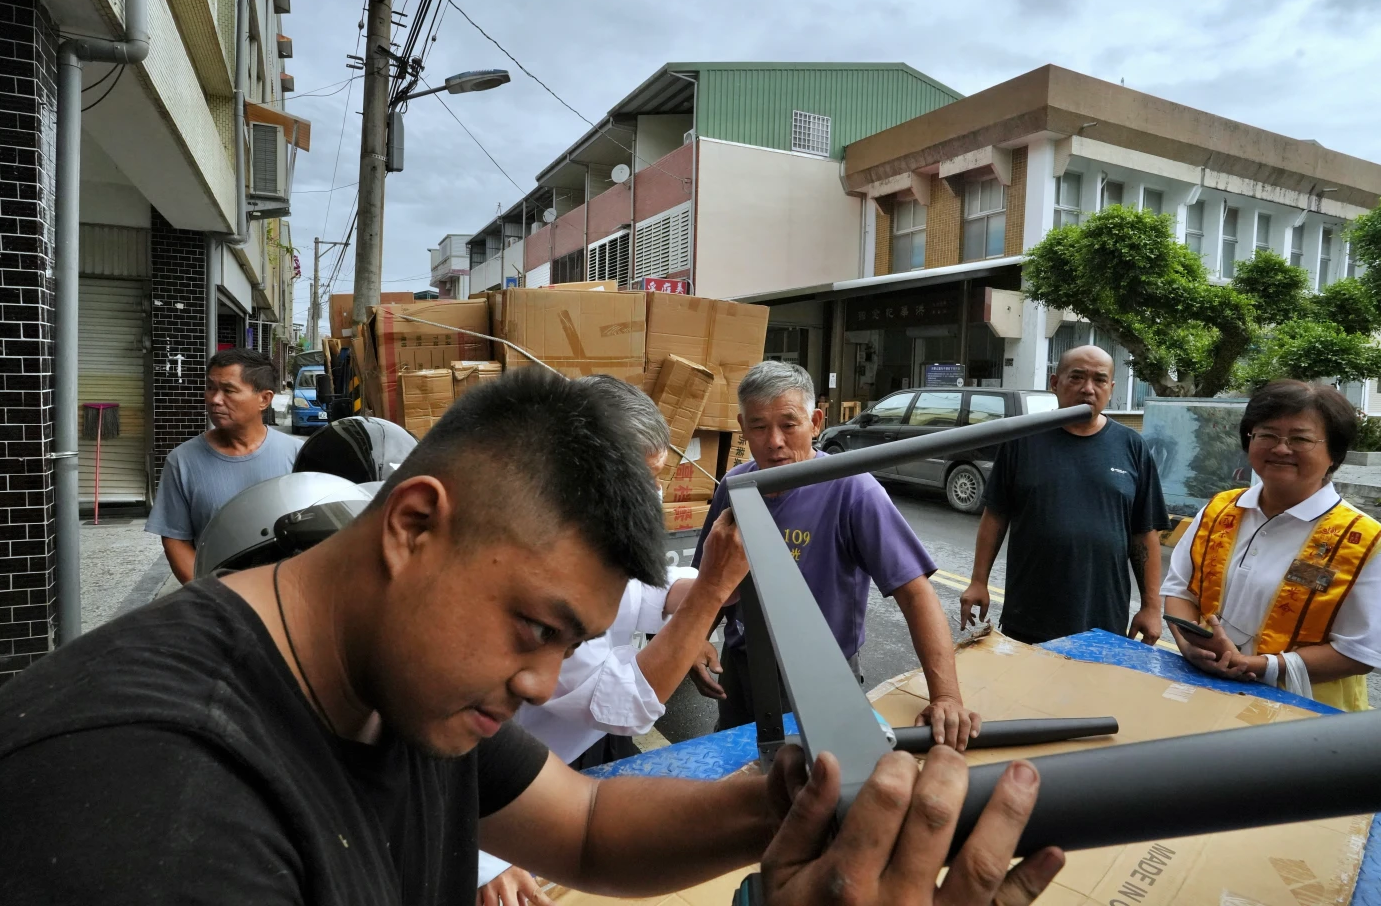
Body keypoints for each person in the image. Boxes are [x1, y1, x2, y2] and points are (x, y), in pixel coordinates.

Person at [0, 367, 1063, 906]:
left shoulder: (396, 685)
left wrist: (795, 802)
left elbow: (584, 826)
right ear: (412, 524)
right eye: (538, 628)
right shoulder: (165, 824)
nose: (545, 680)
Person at [477, 375, 751, 906]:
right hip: (498, 795)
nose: (650, 498)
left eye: (656, 480)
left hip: (567, 758)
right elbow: (625, 702)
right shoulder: (536, 552)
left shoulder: (587, 527)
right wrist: (712, 589)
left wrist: (699, 592)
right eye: (640, 479)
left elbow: (642, 591)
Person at [695, 361, 980, 749]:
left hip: (824, 675)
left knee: (825, 785)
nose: (774, 440)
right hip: (742, 668)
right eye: (759, 426)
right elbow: (709, 579)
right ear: (743, 428)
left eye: (788, 424)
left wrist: (946, 697)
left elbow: (915, 594)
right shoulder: (735, 486)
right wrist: (694, 637)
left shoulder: (852, 488)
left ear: (815, 422)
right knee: (736, 778)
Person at [1161, 380, 1381, 711]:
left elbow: (1362, 652)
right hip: (1205, 692)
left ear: (1334, 452)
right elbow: (1180, 590)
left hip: (1303, 719)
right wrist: (1189, 645)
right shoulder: (1220, 509)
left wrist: (1260, 667)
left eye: (1300, 439)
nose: (1280, 448)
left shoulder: (1365, 542)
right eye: (1267, 435)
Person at [961, 345, 1170, 645]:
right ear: (1054, 383)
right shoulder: (1022, 440)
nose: (1088, 389)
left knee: (1093, 691)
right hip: (1029, 615)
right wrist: (978, 581)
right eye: (1077, 378)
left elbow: (1144, 532)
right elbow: (995, 515)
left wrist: (1151, 607)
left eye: (1099, 380)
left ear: (1111, 388)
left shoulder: (1132, 447)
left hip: (1104, 620)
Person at [145, 347, 301, 583]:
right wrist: (211, 597)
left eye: (229, 390)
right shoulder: (182, 461)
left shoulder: (297, 455)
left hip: (288, 598)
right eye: (211, 388)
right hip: (219, 602)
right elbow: (175, 539)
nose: (215, 400)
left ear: (264, 399)